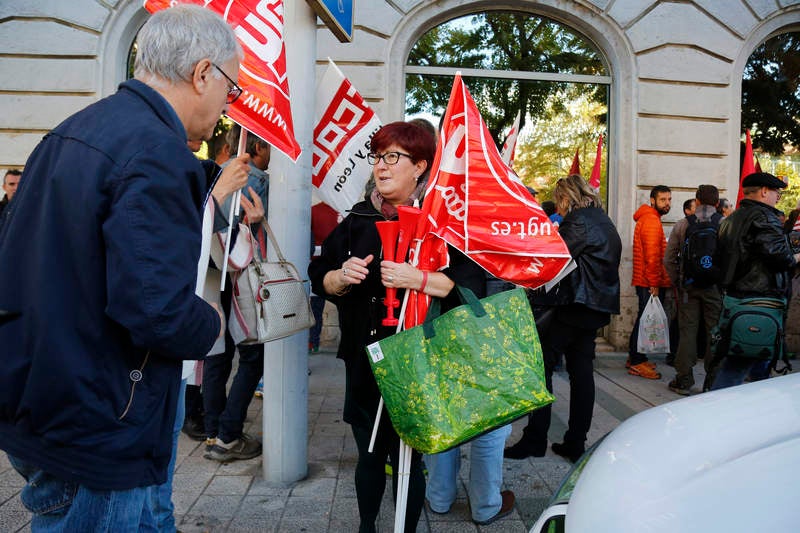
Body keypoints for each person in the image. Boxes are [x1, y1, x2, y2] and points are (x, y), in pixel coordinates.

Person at [0, 5, 237, 530]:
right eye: (231, 90)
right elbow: (156, 310)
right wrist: (211, 324)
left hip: (43, 396)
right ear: (203, 74)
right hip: (101, 417)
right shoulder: (158, 151)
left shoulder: (73, 127)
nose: (227, 107)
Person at [310, 121, 513, 531]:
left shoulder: (443, 221)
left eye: (392, 157)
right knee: (368, 453)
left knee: (409, 458)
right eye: (378, 157)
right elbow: (320, 274)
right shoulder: (357, 219)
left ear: (419, 166)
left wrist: (415, 278)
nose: (380, 167)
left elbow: (466, 288)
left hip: (420, 361)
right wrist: (338, 278)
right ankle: (368, 526)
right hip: (365, 360)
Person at [504, 174, 622, 463]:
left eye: (559, 200)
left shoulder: (579, 221)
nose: (558, 206)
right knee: (581, 372)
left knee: (540, 367)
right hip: (594, 308)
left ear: (567, 197)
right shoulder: (604, 221)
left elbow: (552, 258)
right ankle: (575, 442)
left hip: (573, 306)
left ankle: (535, 439)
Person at [711, 172, 800, 390]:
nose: (778, 197)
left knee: (753, 363)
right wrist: (797, 256)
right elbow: (781, 257)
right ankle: (716, 413)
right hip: (760, 302)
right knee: (737, 367)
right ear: (763, 191)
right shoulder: (764, 217)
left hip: (737, 301)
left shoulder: (729, 219)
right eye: (776, 192)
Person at [664, 185, 723, 395]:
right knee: (714, 332)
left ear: (696, 201)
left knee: (687, 332)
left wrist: (678, 281)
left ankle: (684, 379)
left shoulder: (683, 224)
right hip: (715, 288)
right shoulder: (724, 224)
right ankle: (712, 380)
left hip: (688, 288)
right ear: (717, 203)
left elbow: (669, 258)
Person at [627, 185, 672, 379]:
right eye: (663, 200)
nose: (667, 203)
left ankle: (636, 357)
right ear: (652, 200)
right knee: (645, 320)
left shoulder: (650, 218)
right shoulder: (652, 221)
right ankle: (637, 362)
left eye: (669, 199)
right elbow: (653, 257)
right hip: (649, 281)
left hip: (645, 279)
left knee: (642, 318)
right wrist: (655, 282)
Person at [309, 201, 341, 353]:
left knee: (316, 308)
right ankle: (313, 343)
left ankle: (313, 343)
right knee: (318, 307)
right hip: (333, 265)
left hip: (321, 266)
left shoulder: (314, 210)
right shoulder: (342, 209)